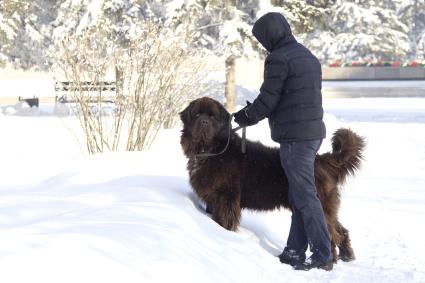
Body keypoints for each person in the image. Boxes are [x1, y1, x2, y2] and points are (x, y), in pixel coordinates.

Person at [233, 12, 333, 271]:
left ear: (270, 34)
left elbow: (268, 100)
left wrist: (244, 117)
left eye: (262, 38)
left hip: (295, 139)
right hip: (312, 135)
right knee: (298, 194)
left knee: (305, 196)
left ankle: (322, 254)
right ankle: (294, 251)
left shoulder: (278, 58)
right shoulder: (307, 56)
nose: (262, 44)